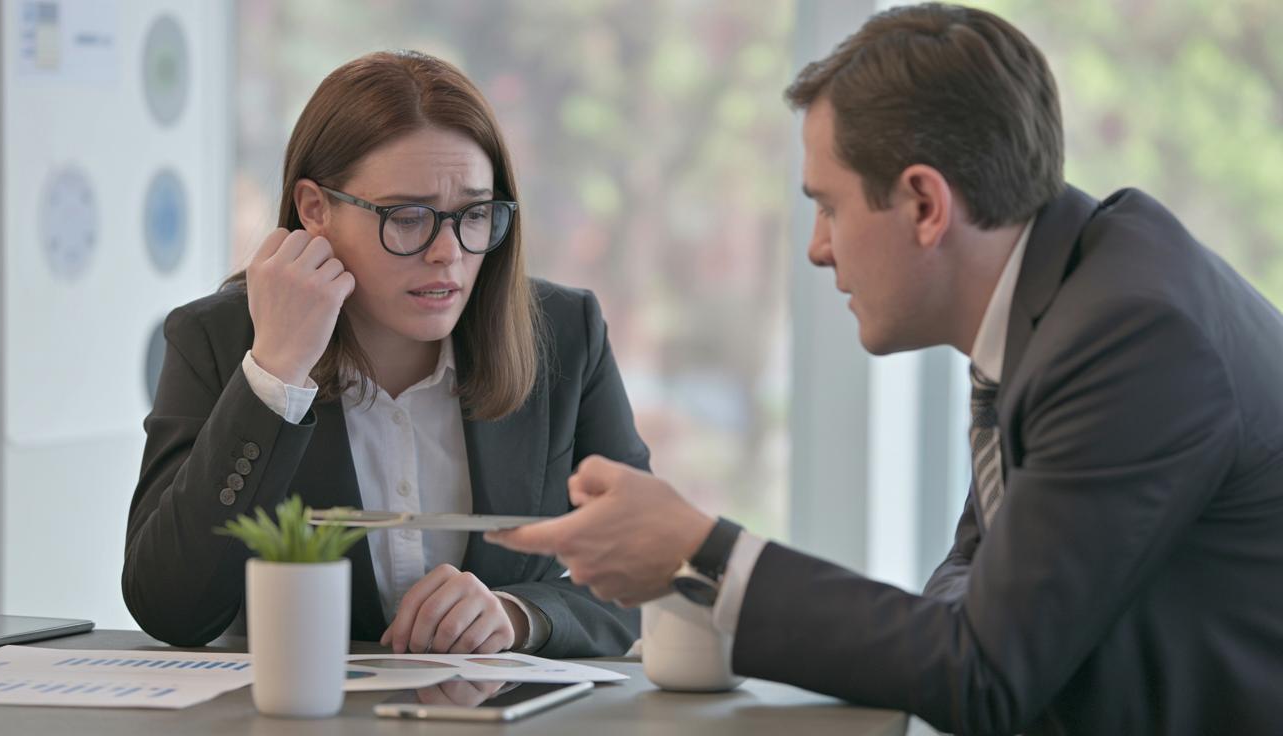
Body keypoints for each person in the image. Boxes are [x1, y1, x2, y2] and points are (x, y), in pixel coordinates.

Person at [488, 4, 1283, 733]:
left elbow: (983, 675)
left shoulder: (1127, 340)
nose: (817, 247)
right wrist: (956, 633)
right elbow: (968, 585)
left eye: (829, 205)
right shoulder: (1066, 291)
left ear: (926, 206)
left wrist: (701, 554)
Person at [123, 51, 649, 659]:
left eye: (474, 214)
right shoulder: (216, 340)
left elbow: (646, 566)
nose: (448, 252)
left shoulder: (565, 332)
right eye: (408, 217)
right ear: (315, 210)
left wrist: (522, 614)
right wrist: (275, 376)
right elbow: (169, 608)